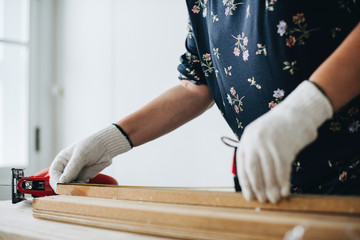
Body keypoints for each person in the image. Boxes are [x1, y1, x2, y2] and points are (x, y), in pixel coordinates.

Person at [50, 0, 360, 203]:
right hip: (270, 188)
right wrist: (109, 140)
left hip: (349, 176)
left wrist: (303, 110)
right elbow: (195, 85)